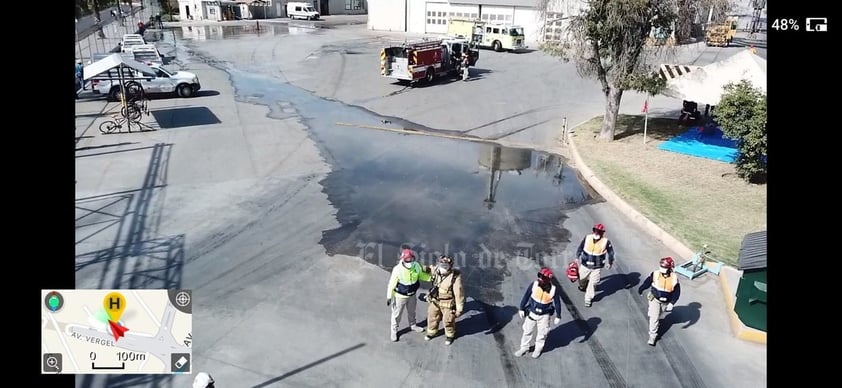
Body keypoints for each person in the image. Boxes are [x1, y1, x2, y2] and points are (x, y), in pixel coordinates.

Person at [514, 267, 563, 358]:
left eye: (542, 277)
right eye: (539, 276)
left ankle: (537, 350)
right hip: (532, 312)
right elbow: (526, 296)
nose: (540, 279)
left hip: (544, 315)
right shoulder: (534, 284)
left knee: (542, 334)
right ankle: (524, 348)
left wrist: (558, 315)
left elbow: (557, 303)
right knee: (527, 331)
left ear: (548, 279)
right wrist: (521, 308)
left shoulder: (553, 290)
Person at [386, 248, 431, 342]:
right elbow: (392, 283)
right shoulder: (397, 269)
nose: (409, 261)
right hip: (400, 296)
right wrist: (389, 297)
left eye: (410, 259)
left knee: (412, 311)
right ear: (403, 259)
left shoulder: (416, 266)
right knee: (396, 314)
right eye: (407, 259)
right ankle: (394, 331)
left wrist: (432, 278)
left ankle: (413, 325)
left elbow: (421, 275)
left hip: (412, 295)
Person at [638, 257, 680, 346]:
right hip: (655, 299)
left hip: (666, 302)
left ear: (669, 268)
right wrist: (641, 289)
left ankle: (655, 317)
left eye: (664, 268)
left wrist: (672, 303)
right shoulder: (655, 274)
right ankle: (652, 336)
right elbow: (647, 283)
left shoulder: (674, 278)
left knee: (659, 314)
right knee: (654, 317)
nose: (662, 269)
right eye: (661, 267)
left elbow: (677, 292)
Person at [424, 255, 464, 345]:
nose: (443, 268)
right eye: (441, 265)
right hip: (435, 301)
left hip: (448, 303)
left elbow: (459, 294)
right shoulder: (436, 270)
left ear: (450, 266)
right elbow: (426, 269)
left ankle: (450, 335)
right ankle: (432, 332)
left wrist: (459, 309)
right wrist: (414, 265)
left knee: (448, 320)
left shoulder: (455, 277)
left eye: (446, 266)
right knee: (432, 316)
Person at [576, 223, 615, 307]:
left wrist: (610, 262)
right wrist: (577, 257)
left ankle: (588, 299)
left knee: (593, 282)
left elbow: (611, 253)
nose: (596, 233)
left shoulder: (606, 241)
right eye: (595, 230)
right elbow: (580, 247)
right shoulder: (587, 238)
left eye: (599, 231)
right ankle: (583, 285)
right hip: (585, 264)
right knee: (581, 278)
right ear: (593, 230)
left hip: (597, 267)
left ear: (602, 233)